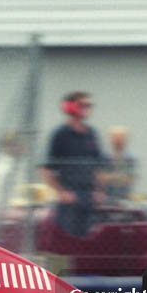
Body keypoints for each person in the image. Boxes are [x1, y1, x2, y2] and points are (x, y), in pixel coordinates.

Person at [39, 91, 105, 237]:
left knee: (90, 237)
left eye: (89, 105)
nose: (87, 108)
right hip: (70, 198)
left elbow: (97, 168)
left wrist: (99, 191)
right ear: (69, 107)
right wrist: (62, 193)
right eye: (83, 105)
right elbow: (45, 169)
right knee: (70, 239)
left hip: (89, 197)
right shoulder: (60, 134)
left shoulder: (91, 134)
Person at [0, 130, 27, 211]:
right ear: (6, 147)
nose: (23, 146)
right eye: (16, 144)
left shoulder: (21, 164)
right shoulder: (1, 169)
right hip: (8, 215)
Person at [100, 126, 136, 203]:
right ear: (111, 139)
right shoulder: (105, 158)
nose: (119, 140)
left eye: (121, 137)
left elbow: (130, 179)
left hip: (125, 196)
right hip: (106, 196)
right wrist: (120, 177)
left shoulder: (129, 159)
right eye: (116, 137)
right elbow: (101, 178)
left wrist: (111, 177)